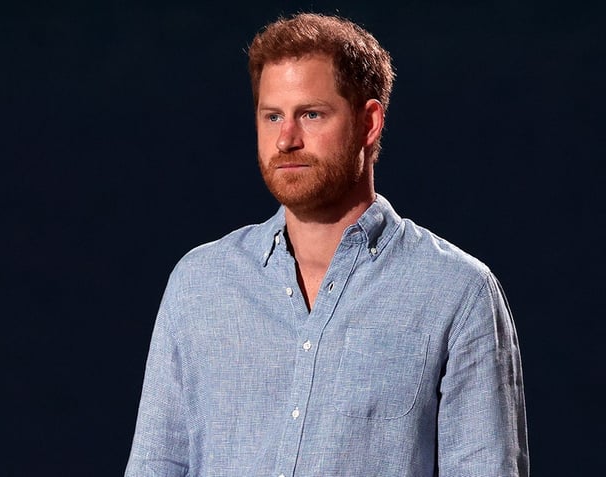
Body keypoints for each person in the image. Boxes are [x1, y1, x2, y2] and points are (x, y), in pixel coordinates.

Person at [125, 12, 528, 477]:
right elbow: (156, 465)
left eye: (311, 114)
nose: (286, 139)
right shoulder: (199, 284)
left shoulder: (457, 292)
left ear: (369, 123)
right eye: (272, 115)